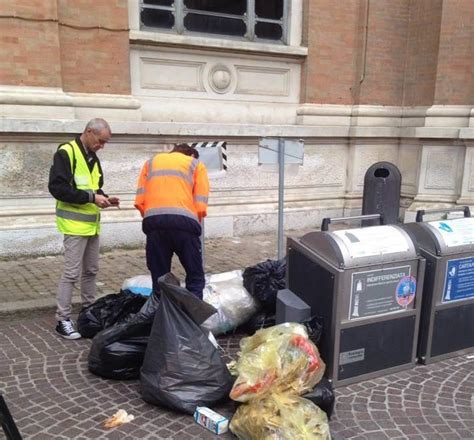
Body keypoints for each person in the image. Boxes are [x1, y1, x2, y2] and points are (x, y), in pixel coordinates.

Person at [48, 118, 120, 339]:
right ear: (88, 132)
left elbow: (94, 188)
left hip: (91, 224)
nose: (102, 146)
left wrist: (106, 198)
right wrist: (92, 197)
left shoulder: (92, 157)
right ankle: (63, 320)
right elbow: (57, 188)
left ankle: (90, 313)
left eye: (105, 142)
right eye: (100, 141)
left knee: (91, 271)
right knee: (71, 274)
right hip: (73, 224)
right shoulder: (66, 152)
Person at [134, 143, 209, 299]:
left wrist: (155, 218)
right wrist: (193, 222)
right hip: (185, 225)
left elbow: (140, 201)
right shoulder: (195, 164)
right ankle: (191, 319)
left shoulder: (151, 162)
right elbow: (201, 204)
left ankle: (162, 317)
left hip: (154, 223)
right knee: (195, 275)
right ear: (192, 155)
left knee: (160, 279)